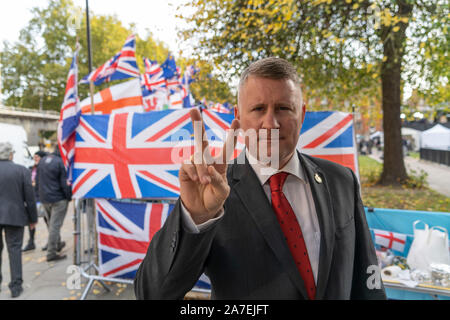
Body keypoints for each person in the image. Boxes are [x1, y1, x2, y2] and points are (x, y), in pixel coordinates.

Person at [134, 57, 386, 300]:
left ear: (303, 113)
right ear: (239, 117)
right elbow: (152, 294)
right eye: (258, 109)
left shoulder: (341, 180)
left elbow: (367, 278)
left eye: (283, 108)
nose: (271, 123)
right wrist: (196, 217)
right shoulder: (212, 192)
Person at [0, 142, 37, 298]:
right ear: (10, 154)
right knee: (14, 250)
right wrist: (32, 218)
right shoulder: (21, 171)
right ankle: (15, 287)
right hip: (15, 215)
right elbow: (29, 197)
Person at [36, 145, 71, 262]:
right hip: (58, 199)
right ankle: (51, 253)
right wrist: (69, 197)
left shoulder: (43, 161)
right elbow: (64, 183)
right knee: (55, 226)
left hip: (45, 198)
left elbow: (37, 181)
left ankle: (57, 244)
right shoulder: (60, 162)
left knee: (52, 224)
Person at [22, 150, 48, 252]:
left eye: (38, 157)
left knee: (48, 220)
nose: (35, 159)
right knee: (31, 221)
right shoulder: (30, 169)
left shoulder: (45, 168)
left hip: (43, 198)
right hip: (32, 198)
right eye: (34, 157)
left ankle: (53, 240)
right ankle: (31, 242)